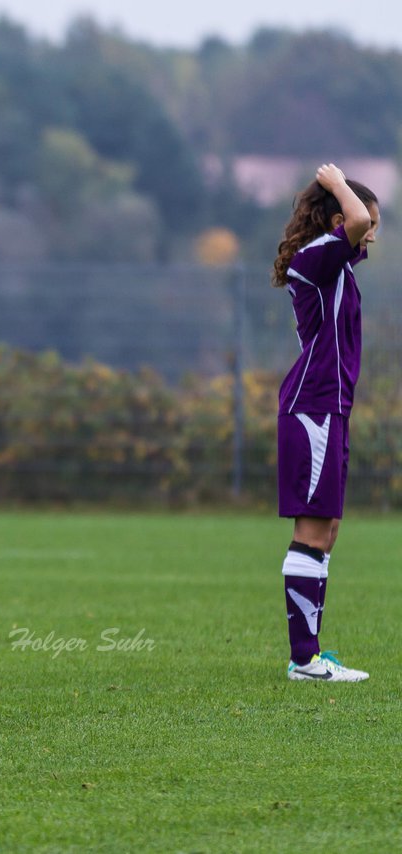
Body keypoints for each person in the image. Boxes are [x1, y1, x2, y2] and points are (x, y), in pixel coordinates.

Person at [272, 163, 379, 682]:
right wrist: (338, 182)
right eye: (369, 223)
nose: (371, 235)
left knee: (327, 529)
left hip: (328, 408)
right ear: (337, 218)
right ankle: (304, 660)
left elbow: (356, 228)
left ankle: (310, 654)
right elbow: (356, 223)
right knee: (311, 531)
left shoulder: (334, 265)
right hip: (313, 408)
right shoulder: (318, 257)